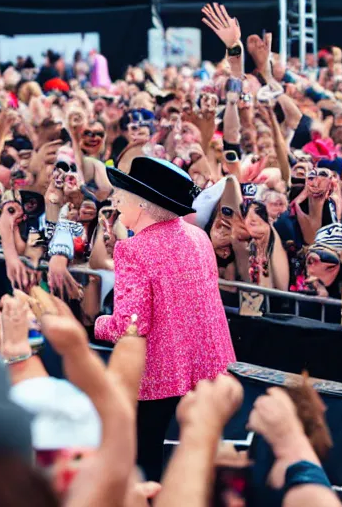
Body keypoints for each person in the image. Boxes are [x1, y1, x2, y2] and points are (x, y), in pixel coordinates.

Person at [94, 155, 236, 482]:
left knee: (145, 455)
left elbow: (131, 325)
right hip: (207, 364)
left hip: (160, 372)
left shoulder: (133, 250)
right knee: (199, 453)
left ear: (141, 205)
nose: (116, 203)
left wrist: (93, 323)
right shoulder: (198, 237)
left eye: (121, 197)